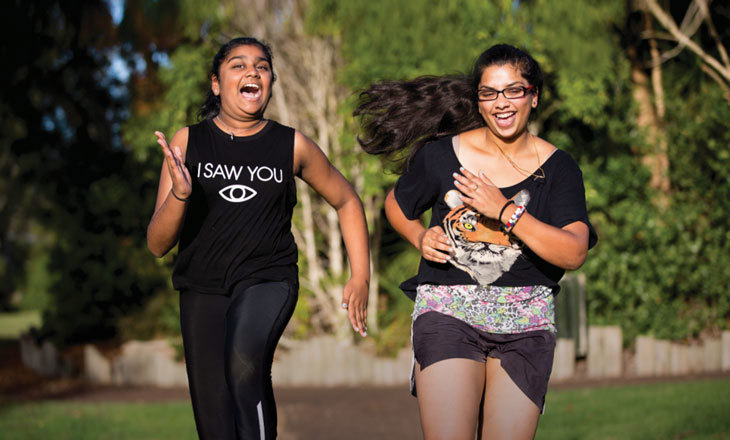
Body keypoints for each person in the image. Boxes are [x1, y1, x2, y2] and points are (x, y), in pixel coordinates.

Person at [355, 44, 597, 439]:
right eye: (490, 93)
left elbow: (574, 251)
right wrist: (419, 235)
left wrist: (505, 211)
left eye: (514, 90)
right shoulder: (441, 156)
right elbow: (395, 204)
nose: (502, 103)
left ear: (533, 96)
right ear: (478, 101)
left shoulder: (560, 168)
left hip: (527, 324)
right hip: (449, 312)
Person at [146, 37, 370, 440]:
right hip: (202, 287)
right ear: (216, 84)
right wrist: (181, 194)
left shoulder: (291, 144)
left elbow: (347, 201)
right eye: (238, 65)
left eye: (262, 66)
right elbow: (157, 245)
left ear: (270, 82)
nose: (252, 71)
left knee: (244, 361)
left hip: (269, 279)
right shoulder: (187, 143)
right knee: (214, 421)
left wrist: (361, 277)